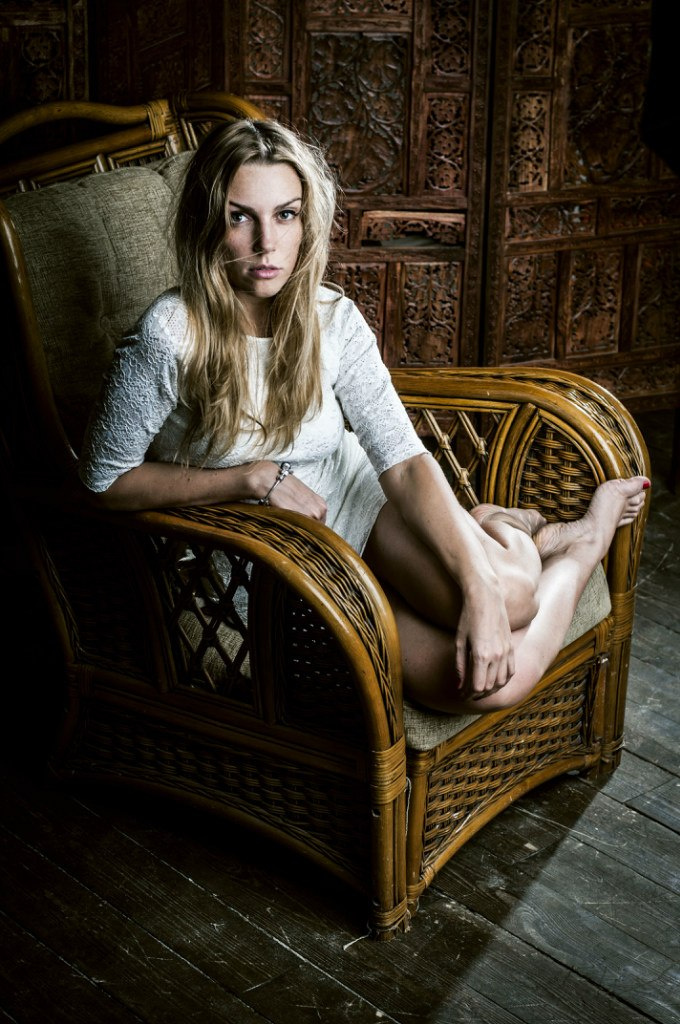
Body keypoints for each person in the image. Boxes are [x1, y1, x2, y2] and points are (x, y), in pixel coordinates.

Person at [78, 118, 649, 714]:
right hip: (271, 560)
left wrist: (479, 590)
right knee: (483, 687)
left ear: (307, 220)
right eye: (240, 216)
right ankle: (573, 544)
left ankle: (511, 533)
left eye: (286, 214)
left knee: (509, 598)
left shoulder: (332, 317)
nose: (267, 243)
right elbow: (101, 481)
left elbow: (401, 460)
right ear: (206, 222)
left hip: (358, 504)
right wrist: (250, 478)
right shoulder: (168, 336)